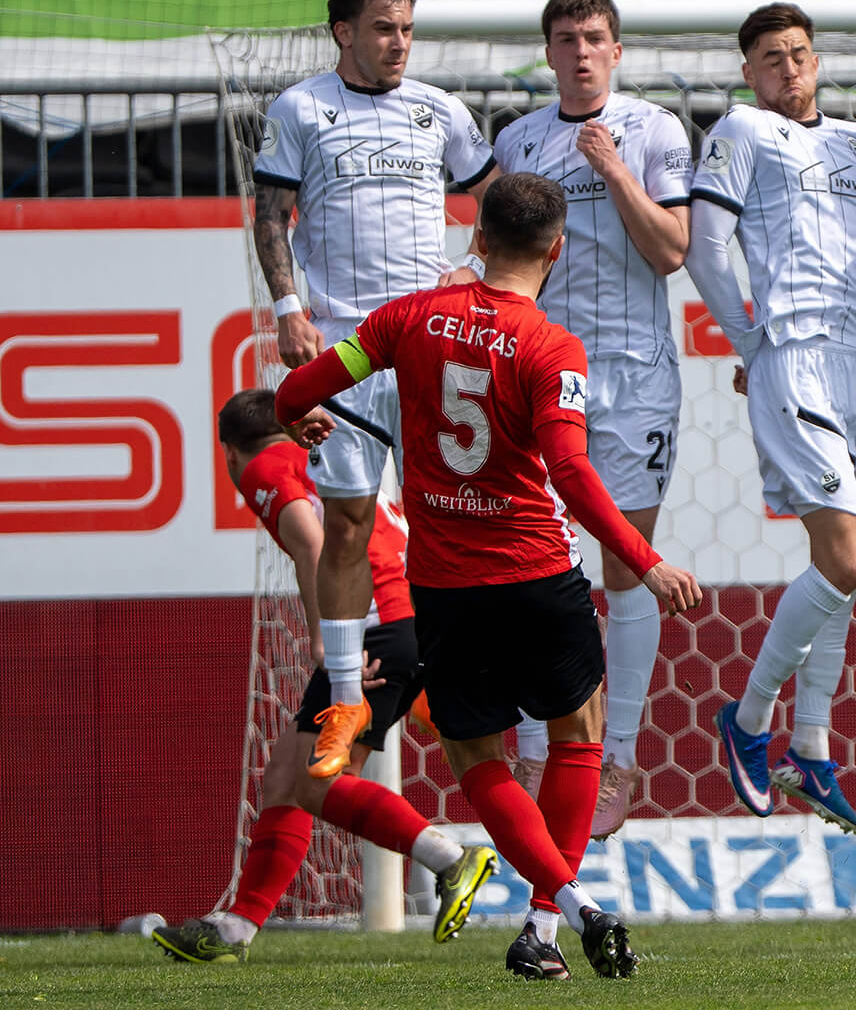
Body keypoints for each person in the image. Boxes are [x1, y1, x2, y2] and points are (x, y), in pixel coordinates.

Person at [274, 173, 702, 981]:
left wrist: (299, 414)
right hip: (540, 574)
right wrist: (645, 562)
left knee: (478, 761)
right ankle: (560, 911)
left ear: (475, 239)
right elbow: (570, 472)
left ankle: (559, 912)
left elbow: (298, 387)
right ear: (557, 250)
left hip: (446, 590)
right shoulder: (551, 346)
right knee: (577, 738)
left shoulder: (409, 318)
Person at [253, 0, 497, 781]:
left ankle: (468, 675)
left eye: (406, 29)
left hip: (431, 344)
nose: (399, 43)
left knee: (452, 518)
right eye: (384, 28)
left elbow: (496, 199)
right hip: (348, 348)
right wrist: (288, 305)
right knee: (350, 522)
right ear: (344, 33)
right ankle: (350, 693)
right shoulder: (301, 109)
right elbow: (269, 212)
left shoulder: (441, 111)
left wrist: (476, 269)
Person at [152, 389, 496, 964]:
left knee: (317, 782)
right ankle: (237, 929)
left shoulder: (263, 465)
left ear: (231, 452)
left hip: (371, 629)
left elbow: (311, 541)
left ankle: (448, 858)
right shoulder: (327, 455)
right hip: (408, 617)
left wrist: (324, 637)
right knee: (287, 776)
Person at [489, 0, 693, 842]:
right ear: (548, 53)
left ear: (617, 51)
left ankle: (621, 752)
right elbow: (500, 258)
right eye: (566, 38)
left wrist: (612, 171)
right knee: (541, 562)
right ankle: (536, 745)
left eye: (596, 37)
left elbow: (673, 250)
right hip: (547, 371)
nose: (581, 51)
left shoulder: (654, 131)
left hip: (637, 373)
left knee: (625, 561)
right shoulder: (518, 141)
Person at [684, 2, 856, 837]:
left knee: (847, 569)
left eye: (800, 55)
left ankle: (811, 745)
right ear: (748, 71)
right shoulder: (740, 131)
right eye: (771, 58)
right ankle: (750, 716)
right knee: (843, 557)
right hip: (793, 354)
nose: (789, 70)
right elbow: (704, 244)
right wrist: (753, 340)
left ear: (817, 60)